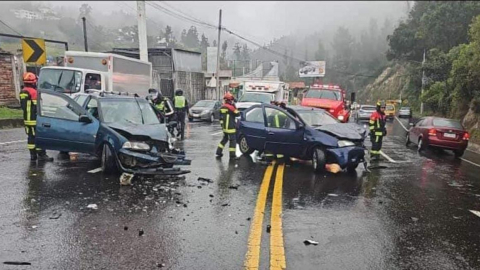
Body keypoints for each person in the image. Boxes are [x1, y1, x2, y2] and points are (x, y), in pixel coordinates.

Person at [19, 72, 53, 162]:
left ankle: (33, 155)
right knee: (39, 136)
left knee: (31, 137)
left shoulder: (23, 92)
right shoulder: (34, 92)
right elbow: (39, 107)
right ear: (33, 82)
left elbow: (23, 106)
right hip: (35, 119)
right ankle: (42, 155)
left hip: (27, 119)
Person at [216, 92, 240, 159]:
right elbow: (238, 114)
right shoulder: (231, 108)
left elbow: (220, 119)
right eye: (232, 100)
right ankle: (232, 155)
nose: (232, 101)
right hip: (231, 127)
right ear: (230, 100)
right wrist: (234, 105)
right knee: (233, 141)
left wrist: (222, 126)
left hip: (224, 128)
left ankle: (218, 152)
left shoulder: (222, 107)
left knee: (224, 139)